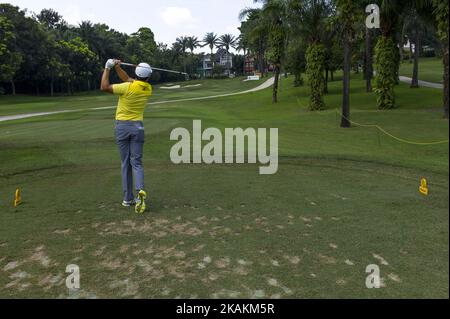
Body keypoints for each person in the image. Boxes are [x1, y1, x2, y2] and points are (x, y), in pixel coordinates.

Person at [100, 59, 153, 213]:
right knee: (136, 162)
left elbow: (104, 87)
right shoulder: (147, 88)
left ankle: (127, 198)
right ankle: (140, 192)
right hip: (138, 128)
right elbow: (127, 78)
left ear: (136, 73)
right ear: (147, 77)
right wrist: (118, 67)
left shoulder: (127, 87)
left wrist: (108, 67)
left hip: (122, 127)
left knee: (125, 163)